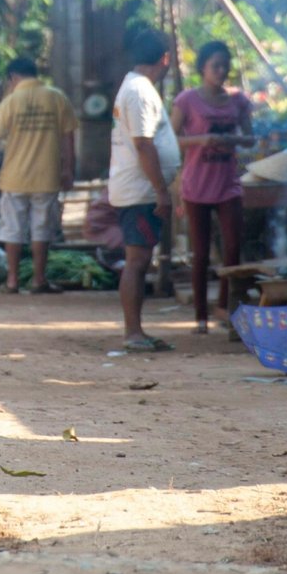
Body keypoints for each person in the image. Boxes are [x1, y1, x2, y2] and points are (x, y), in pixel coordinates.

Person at [171, 40, 256, 333]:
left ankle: (224, 306)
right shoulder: (187, 100)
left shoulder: (238, 100)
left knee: (232, 247)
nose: (221, 71)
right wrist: (201, 140)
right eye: (215, 66)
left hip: (228, 183)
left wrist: (233, 140)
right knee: (201, 253)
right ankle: (200, 317)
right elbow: (170, 139)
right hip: (196, 184)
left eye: (225, 66)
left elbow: (250, 138)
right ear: (203, 68)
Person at [108, 27, 182, 352]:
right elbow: (143, 144)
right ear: (164, 58)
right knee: (137, 261)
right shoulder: (139, 91)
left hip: (139, 188)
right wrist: (161, 191)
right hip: (140, 191)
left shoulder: (137, 87)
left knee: (138, 260)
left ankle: (136, 331)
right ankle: (133, 332)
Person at [0, 56, 77, 295]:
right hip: (47, 177)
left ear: (13, 77)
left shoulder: (10, 102)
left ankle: (12, 281)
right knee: (42, 229)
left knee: (12, 228)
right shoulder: (57, 98)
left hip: (13, 178)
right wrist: (68, 170)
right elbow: (69, 140)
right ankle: (39, 280)